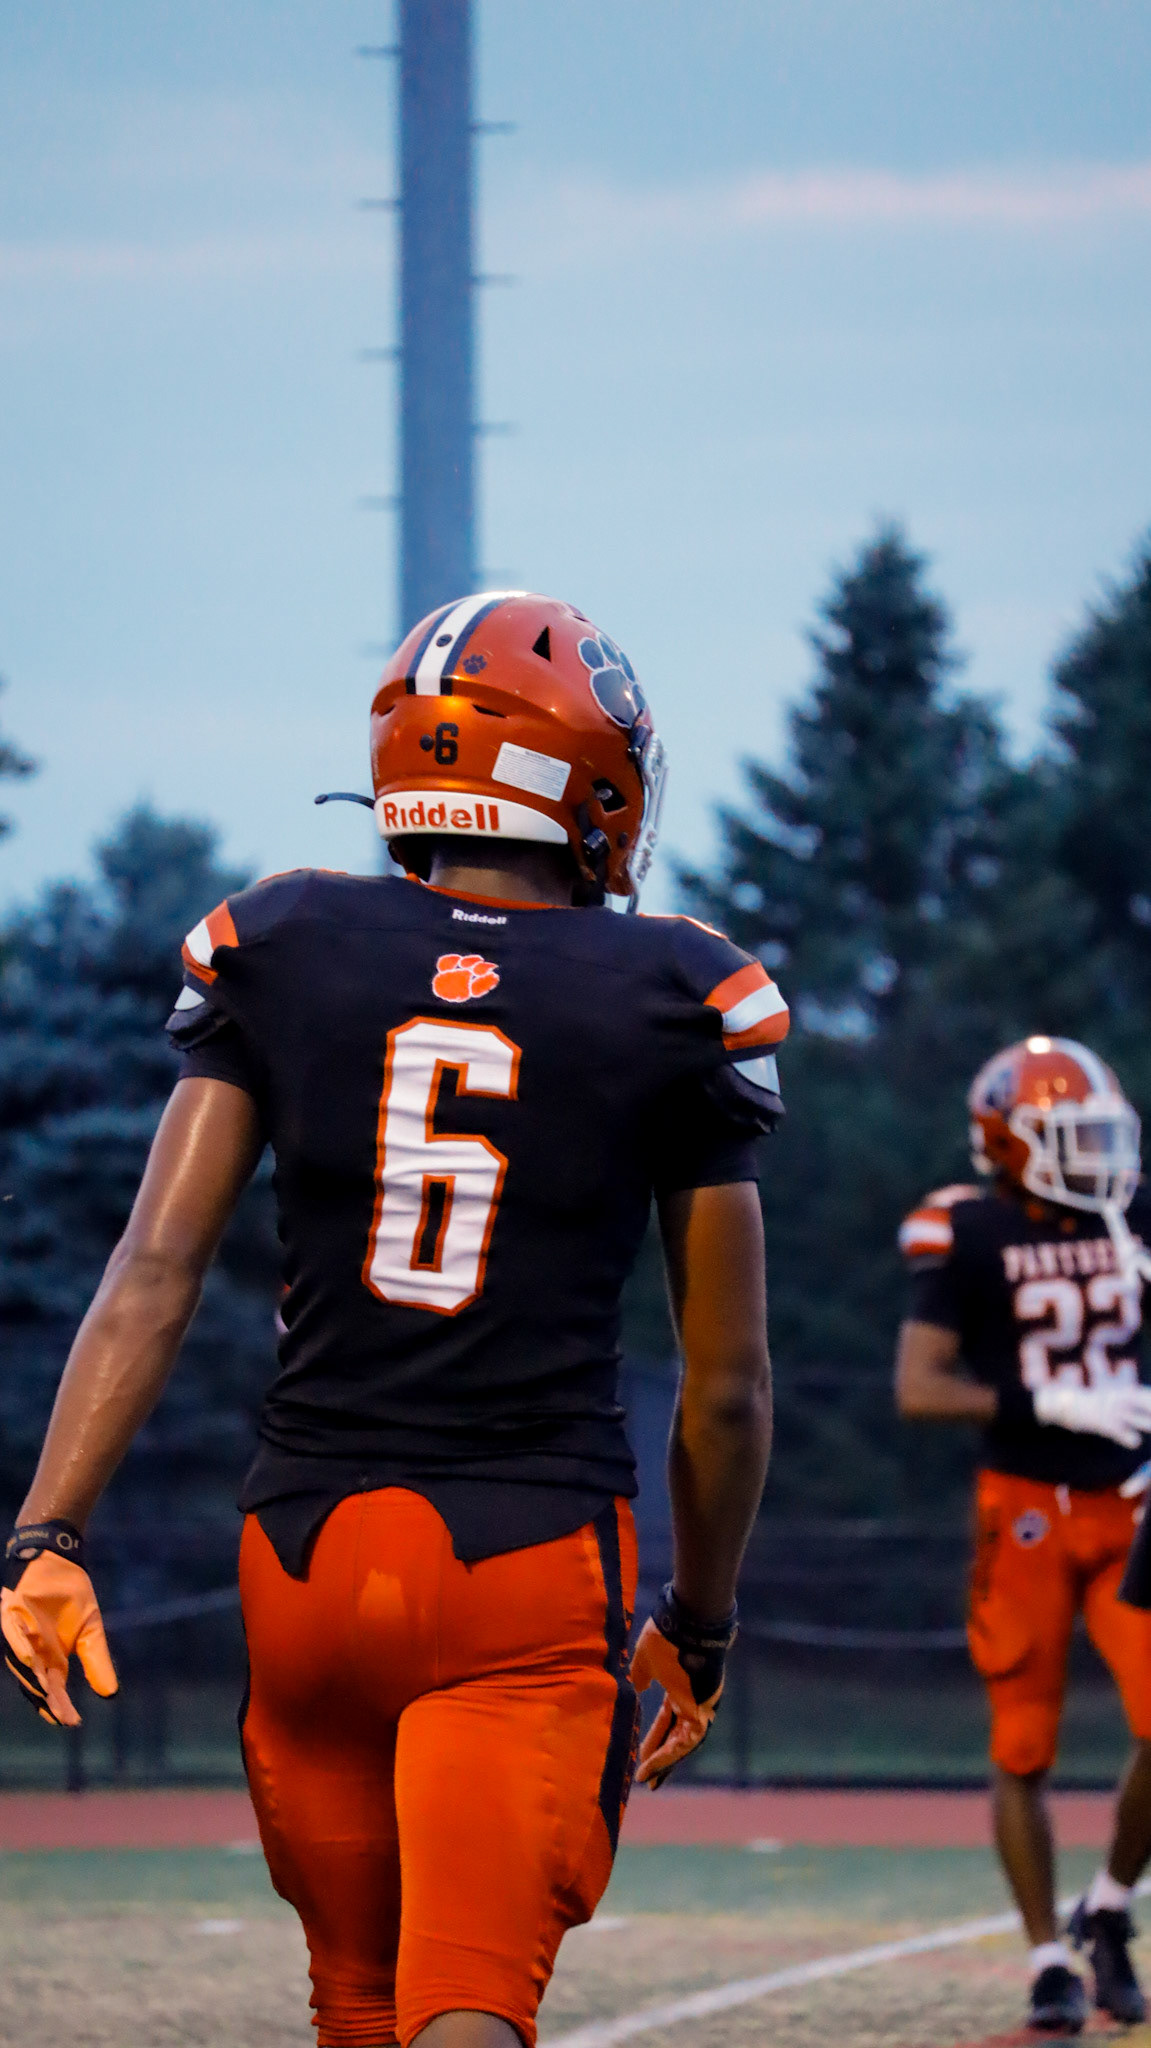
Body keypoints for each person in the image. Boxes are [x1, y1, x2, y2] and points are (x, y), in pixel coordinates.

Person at [2, 591, 785, 2048]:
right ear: (583, 776)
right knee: (466, 1998)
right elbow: (724, 1386)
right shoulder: (672, 988)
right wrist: (700, 1616)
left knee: (357, 2005)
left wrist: (47, 1530)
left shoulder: (289, 937)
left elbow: (152, 1268)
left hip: (302, 1555)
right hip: (519, 1561)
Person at [895, 1034, 1151, 2033]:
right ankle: (1047, 1958)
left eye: (1099, 1133)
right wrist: (1046, 1399)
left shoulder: (1131, 1212)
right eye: (1071, 1136)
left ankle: (1108, 1905)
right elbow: (918, 1388)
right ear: (1010, 1143)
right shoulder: (967, 1229)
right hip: (1027, 1506)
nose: (1096, 1155)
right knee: (1022, 1742)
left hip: (1132, 1499)